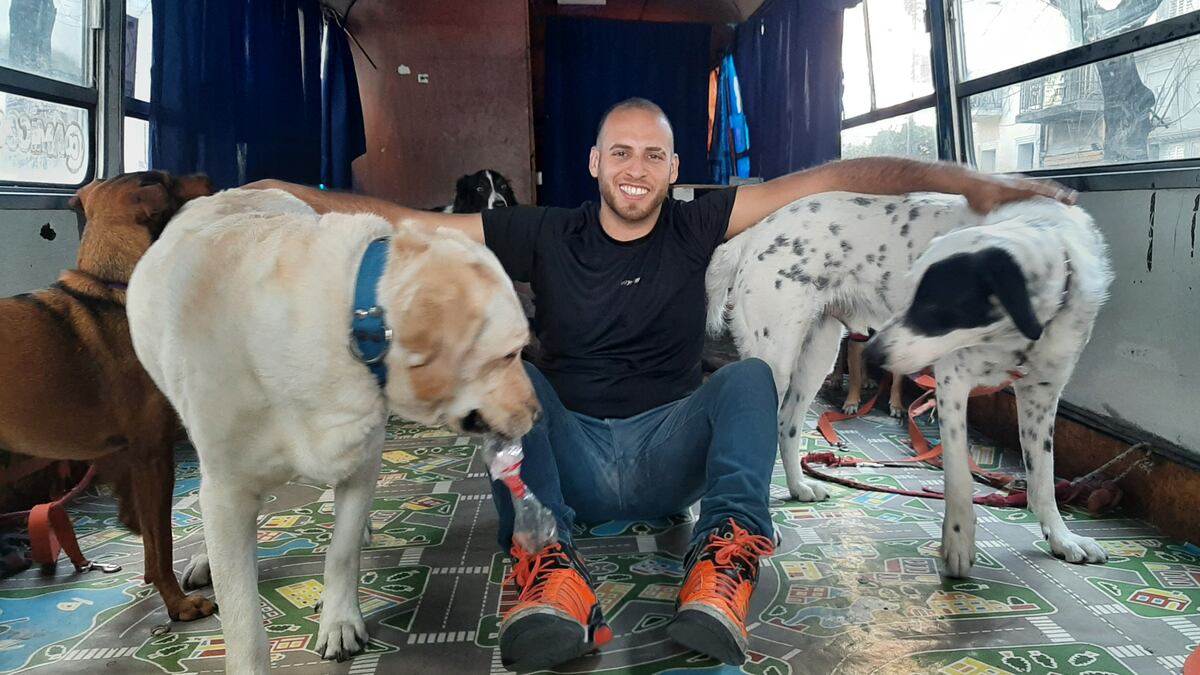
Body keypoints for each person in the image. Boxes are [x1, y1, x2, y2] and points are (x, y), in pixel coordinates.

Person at [250, 97, 1074, 671]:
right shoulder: (542, 232)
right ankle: (547, 569)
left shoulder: (698, 221)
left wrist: (968, 184)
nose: (636, 169)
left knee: (748, 379)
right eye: (621, 152)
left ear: (675, 166)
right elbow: (411, 224)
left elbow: (833, 177)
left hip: (668, 460)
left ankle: (722, 564)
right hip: (570, 462)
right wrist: (296, 198)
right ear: (594, 162)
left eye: (653, 154)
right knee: (512, 373)